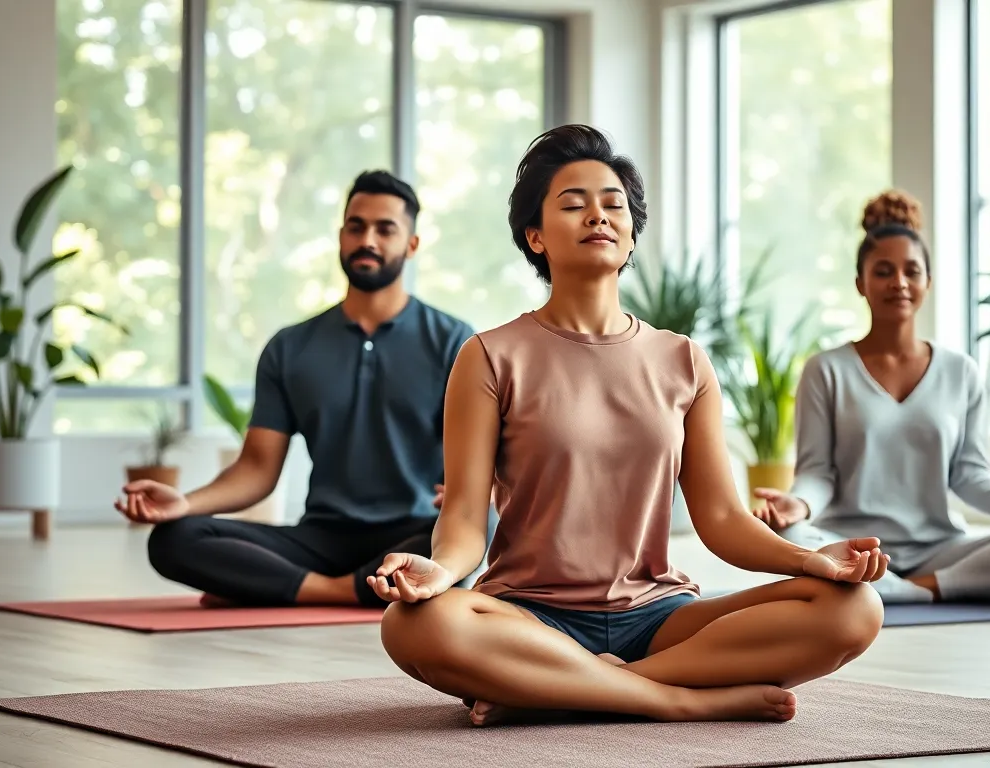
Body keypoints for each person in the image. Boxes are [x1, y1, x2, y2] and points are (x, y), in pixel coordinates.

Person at [370, 124, 887, 728]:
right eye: (573, 204)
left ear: (631, 232)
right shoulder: (488, 356)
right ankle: (675, 698)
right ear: (536, 236)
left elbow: (723, 519)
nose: (598, 215)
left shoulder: (683, 360)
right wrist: (440, 570)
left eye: (613, 204)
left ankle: (558, 690)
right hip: (529, 619)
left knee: (855, 609)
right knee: (415, 624)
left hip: (658, 617)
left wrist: (808, 561)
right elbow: (462, 518)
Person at [114, 170, 478, 609]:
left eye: (385, 229)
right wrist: (184, 503)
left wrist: (480, 491)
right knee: (174, 538)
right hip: (320, 539)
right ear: (341, 236)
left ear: (412, 245)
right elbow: (256, 469)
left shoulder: (454, 342)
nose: (368, 240)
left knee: (472, 534)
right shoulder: (290, 347)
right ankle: (344, 591)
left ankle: (282, 587)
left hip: (414, 533)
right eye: (356, 226)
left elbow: (480, 460)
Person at [751, 189, 990, 605]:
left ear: (927, 283)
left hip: (940, 549)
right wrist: (798, 504)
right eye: (883, 271)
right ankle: (917, 586)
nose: (898, 282)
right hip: (853, 547)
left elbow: (970, 476)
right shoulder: (825, 370)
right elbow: (818, 473)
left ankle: (907, 591)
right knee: (789, 537)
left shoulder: (961, 372)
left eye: (911, 271)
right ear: (860, 284)